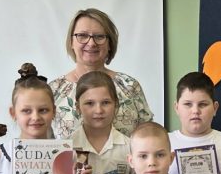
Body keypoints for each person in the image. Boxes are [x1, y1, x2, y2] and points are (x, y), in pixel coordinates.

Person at [50, 8, 153, 138]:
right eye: (82, 36)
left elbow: (149, 137)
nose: (91, 43)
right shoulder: (54, 91)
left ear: (110, 44)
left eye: (99, 36)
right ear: (71, 42)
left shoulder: (129, 86)